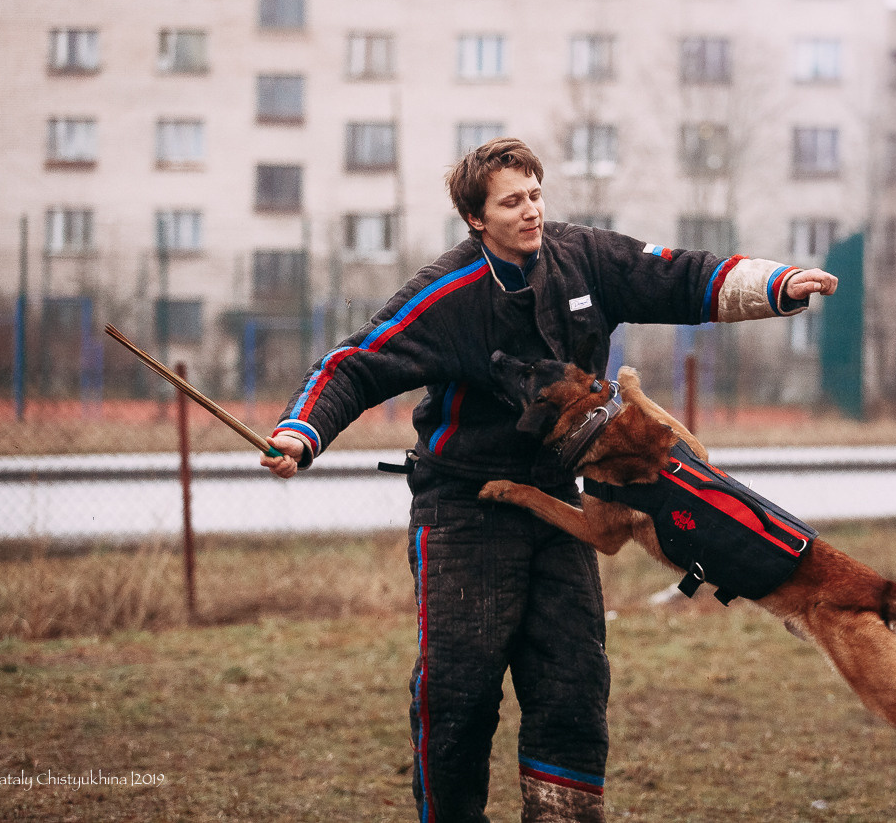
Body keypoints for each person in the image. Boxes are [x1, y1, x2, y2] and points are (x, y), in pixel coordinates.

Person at [260, 137, 838, 823]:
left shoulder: (585, 258)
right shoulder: (446, 294)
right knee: (462, 692)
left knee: (574, 683)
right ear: (476, 219)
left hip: (558, 502)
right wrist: (302, 430)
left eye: (535, 194)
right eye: (512, 202)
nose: (531, 210)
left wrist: (778, 285)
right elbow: (356, 363)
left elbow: (679, 275)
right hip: (462, 507)